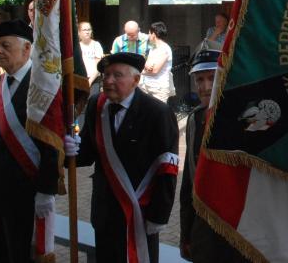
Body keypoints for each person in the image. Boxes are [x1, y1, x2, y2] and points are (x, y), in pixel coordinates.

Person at [64, 52, 178, 263]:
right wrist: (69, 151)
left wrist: (158, 216)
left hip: (140, 214)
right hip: (105, 212)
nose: (108, 81)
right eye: (106, 75)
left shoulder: (157, 112)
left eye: (117, 75)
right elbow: (88, 153)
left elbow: (167, 169)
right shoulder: (96, 104)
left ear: (136, 80)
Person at [0, 20, 59, 263]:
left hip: (25, 192)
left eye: (5, 45)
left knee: (22, 255)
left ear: (27, 48)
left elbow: (51, 144)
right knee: (0, 254)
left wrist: (46, 190)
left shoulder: (43, 87)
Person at [179, 41, 248, 263]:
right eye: (199, 79)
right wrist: (186, 233)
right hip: (205, 230)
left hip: (242, 229)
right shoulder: (195, 119)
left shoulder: (245, 117)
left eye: (212, 77)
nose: (205, 86)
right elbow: (189, 182)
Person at [140, 21, 174, 104]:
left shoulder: (165, 49)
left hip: (159, 89)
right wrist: (147, 67)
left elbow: (155, 70)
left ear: (153, 34)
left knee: (158, 111)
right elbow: (147, 65)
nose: (148, 36)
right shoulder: (153, 48)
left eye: (149, 33)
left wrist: (142, 71)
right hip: (147, 87)